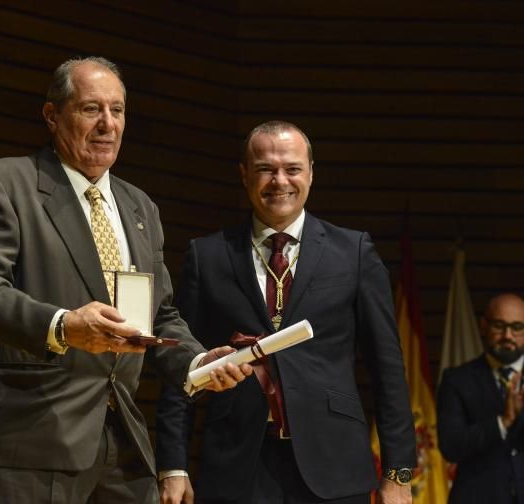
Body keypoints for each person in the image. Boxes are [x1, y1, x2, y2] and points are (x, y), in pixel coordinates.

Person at [0, 56, 253, 504]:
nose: (107, 124)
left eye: (117, 110)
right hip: (29, 441)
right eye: (91, 109)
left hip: (124, 445)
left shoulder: (140, 208)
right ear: (52, 116)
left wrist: (196, 363)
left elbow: (159, 313)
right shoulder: (3, 184)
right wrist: (63, 326)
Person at [155, 121, 416, 504]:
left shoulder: (354, 252)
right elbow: (182, 365)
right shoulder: (207, 256)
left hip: (335, 466)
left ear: (311, 173)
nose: (280, 181)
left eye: (292, 168)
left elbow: (388, 367)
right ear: (244, 175)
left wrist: (398, 473)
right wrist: (173, 466)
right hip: (236, 464)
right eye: (265, 169)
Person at [437, 292, 524, 503]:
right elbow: (451, 446)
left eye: (517, 327)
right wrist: (502, 423)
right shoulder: (456, 380)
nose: (508, 336)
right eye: (499, 325)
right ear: (483, 326)